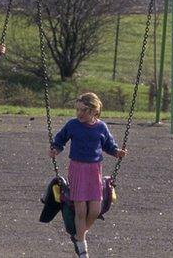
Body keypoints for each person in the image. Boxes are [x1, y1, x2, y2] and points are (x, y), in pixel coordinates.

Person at [49, 92, 126, 258]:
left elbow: (109, 145)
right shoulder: (73, 125)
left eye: (84, 110)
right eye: (78, 110)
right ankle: (83, 248)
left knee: (95, 210)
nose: (80, 114)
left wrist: (117, 152)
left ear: (94, 111)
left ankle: (78, 236)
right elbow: (60, 139)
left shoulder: (101, 127)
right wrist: (55, 149)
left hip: (94, 170)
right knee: (81, 211)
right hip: (77, 169)